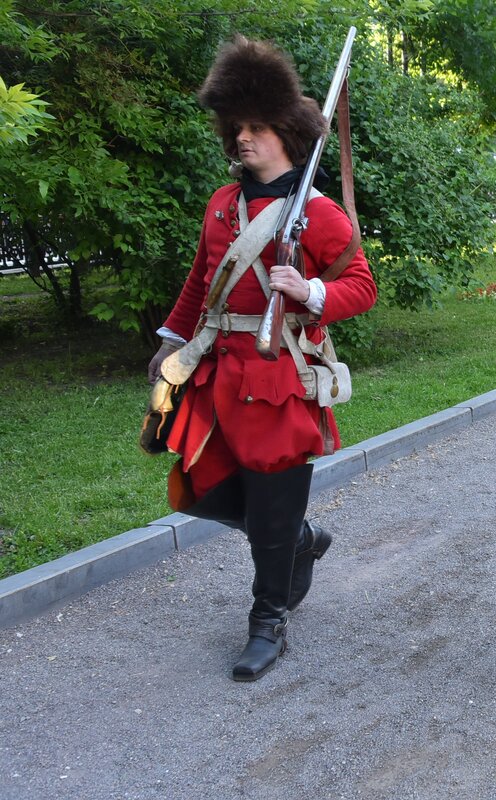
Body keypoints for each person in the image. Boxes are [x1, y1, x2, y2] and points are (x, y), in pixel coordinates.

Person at [145, 37, 376, 681]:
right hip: (217, 370)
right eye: (238, 127)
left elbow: (362, 284)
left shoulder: (319, 215)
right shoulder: (223, 204)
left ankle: (268, 619)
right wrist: (170, 346)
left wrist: (312, 292)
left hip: (278, 380)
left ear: (286, 134)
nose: (244, 139)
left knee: (273, 505)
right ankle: (297, 541)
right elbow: (199, 283)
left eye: (257, 128)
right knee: (202, 488)